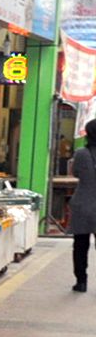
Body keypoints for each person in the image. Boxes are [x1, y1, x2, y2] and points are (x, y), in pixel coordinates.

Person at [72, 119, 96, 292]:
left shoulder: (81, 153)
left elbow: (75, 173)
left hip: (83, 203)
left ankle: (81, 282)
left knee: (80, 245)